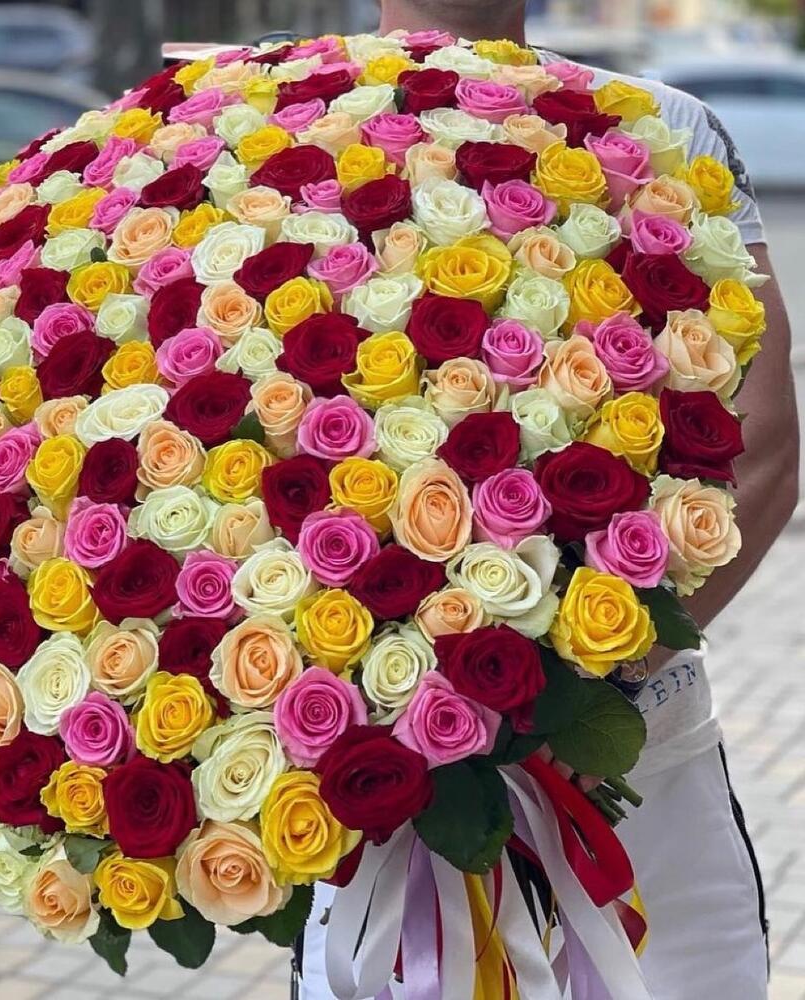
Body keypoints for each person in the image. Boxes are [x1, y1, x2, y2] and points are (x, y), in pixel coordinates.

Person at [298, 2, 801, 998]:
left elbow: (767, 448)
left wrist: (573, 709)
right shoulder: (272, 132)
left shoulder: (665, 126)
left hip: (627, 769)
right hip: (373, 789)